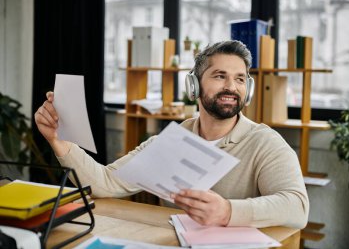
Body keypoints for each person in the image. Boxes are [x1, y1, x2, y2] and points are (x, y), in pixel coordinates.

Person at [34, 40, 309, 228]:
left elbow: (296, 207)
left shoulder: (265, 142)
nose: (231, 87)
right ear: (193, 86)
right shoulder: (170, 142)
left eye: (239, 79)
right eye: (219, 76)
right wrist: (58, 140)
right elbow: (105, 183)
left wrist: (228, 211)